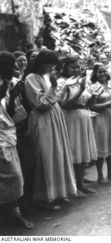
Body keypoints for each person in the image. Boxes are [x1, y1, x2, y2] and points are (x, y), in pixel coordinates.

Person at [24, 50, 77, 210]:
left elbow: (55, 99)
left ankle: (60, 193)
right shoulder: (31, 78)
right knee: (47, 156)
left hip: (55, 118)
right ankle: (45, 198)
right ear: (41, 63)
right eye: (49, 66)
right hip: (43, 121)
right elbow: (41, 105)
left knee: (58, 155)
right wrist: (54, 86)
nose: (51, 69)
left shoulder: (46, 77)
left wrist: (62, 88)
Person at [0, 51, 33, 229]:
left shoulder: (6, 83)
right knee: (11, 176)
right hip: (2, 138)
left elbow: (9, 112)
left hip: (9, 135)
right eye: (11, 64)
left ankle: (15, 214)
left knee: (16, 176)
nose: (14, 68)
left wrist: (12, 96)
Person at [57, 56, 97, 196]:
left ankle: (81, 183)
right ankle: (73, 186)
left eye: (78, 67)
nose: (76, 70)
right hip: (71, 117)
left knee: (82, 151)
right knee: (74, 151)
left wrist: (94, 96)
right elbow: (65, 104)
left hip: (83, 116)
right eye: (73, 67)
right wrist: (80, 90)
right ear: (65, 68)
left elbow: (87, 102)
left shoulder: (81, 80)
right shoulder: (63, 82)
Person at [90, 63, 111, 183]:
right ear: (95, 74)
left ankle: (110, 172)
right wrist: (109, 103)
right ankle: (100, 175)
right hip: (101, 118)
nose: (103, 74)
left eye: (104, 71)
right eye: (100, 72)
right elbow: (92, 106)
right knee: (102, 145)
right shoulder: (94, 87)